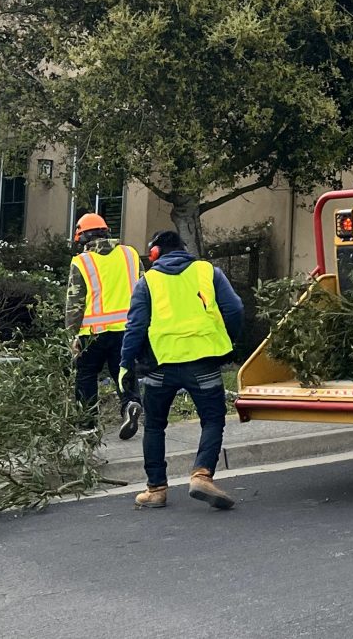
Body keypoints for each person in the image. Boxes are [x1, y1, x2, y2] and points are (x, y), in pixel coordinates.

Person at [120, 230, 244, 510]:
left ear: (154, 254)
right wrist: (227, 340)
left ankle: (156, 490)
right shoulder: (207, 272)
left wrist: (126, 362)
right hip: (203, 362)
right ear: (183, 248)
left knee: (154, 425)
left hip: (160, 365)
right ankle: (202, 474)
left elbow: (135, 327)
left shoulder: (147, 281)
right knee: (212, 420)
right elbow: (235, 309)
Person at [66, 212, 145, 440]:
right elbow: (144, 289)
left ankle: (88, 426)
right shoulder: (129, 254)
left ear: (83, 237)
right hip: (127, 330)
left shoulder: (82, 261)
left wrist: (71, 335)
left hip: (92, 332)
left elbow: (75, 302)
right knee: (123, 370)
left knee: (86, 375)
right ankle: (130, 403)